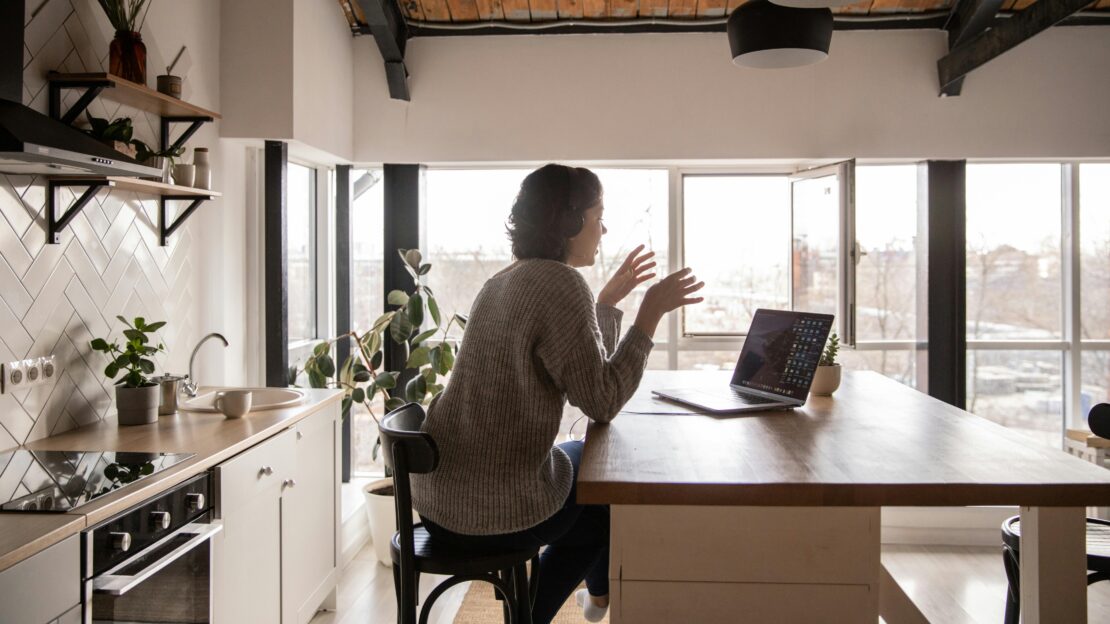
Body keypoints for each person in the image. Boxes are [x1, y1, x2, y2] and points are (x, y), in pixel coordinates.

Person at [411, 164, 704, 623]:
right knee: (608, 500)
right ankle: (533, 616)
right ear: (568, 222)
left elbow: (583, 376)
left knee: (587, 461)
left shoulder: (506, 279)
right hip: (490, 509)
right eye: (597, 215)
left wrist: (606, 306)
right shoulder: (561, 284)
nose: (603, 229)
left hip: (439, 497)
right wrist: (649, 313)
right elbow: (603, 401)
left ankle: (597, 599)